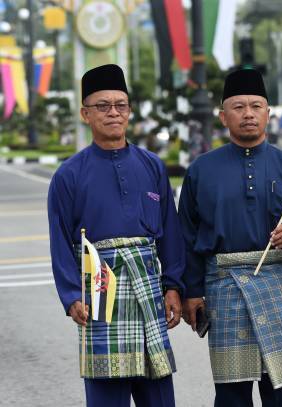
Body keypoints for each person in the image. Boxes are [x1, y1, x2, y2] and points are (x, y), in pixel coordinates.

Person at [178, 68, 282, 407]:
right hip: (224, 287)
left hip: (276, 282)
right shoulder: (201, 170)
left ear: (268, 112)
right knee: (231, 394)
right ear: (223, 116)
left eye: (256, 106)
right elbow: (186, 234)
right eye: (239, 106)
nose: (248, 114)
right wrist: (192, 291)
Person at [47, 64, 185, 407]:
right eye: (103, 106)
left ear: (129, 110)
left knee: (158, 392)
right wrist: (70, 295)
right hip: (99, 291)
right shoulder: (68, 175)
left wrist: (173, 286)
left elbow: (170, 231)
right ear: (85, 114)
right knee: (107, 392)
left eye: (120, 105)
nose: (113, 112)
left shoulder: (152, 165)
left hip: (147, 286)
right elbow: (61, 241)